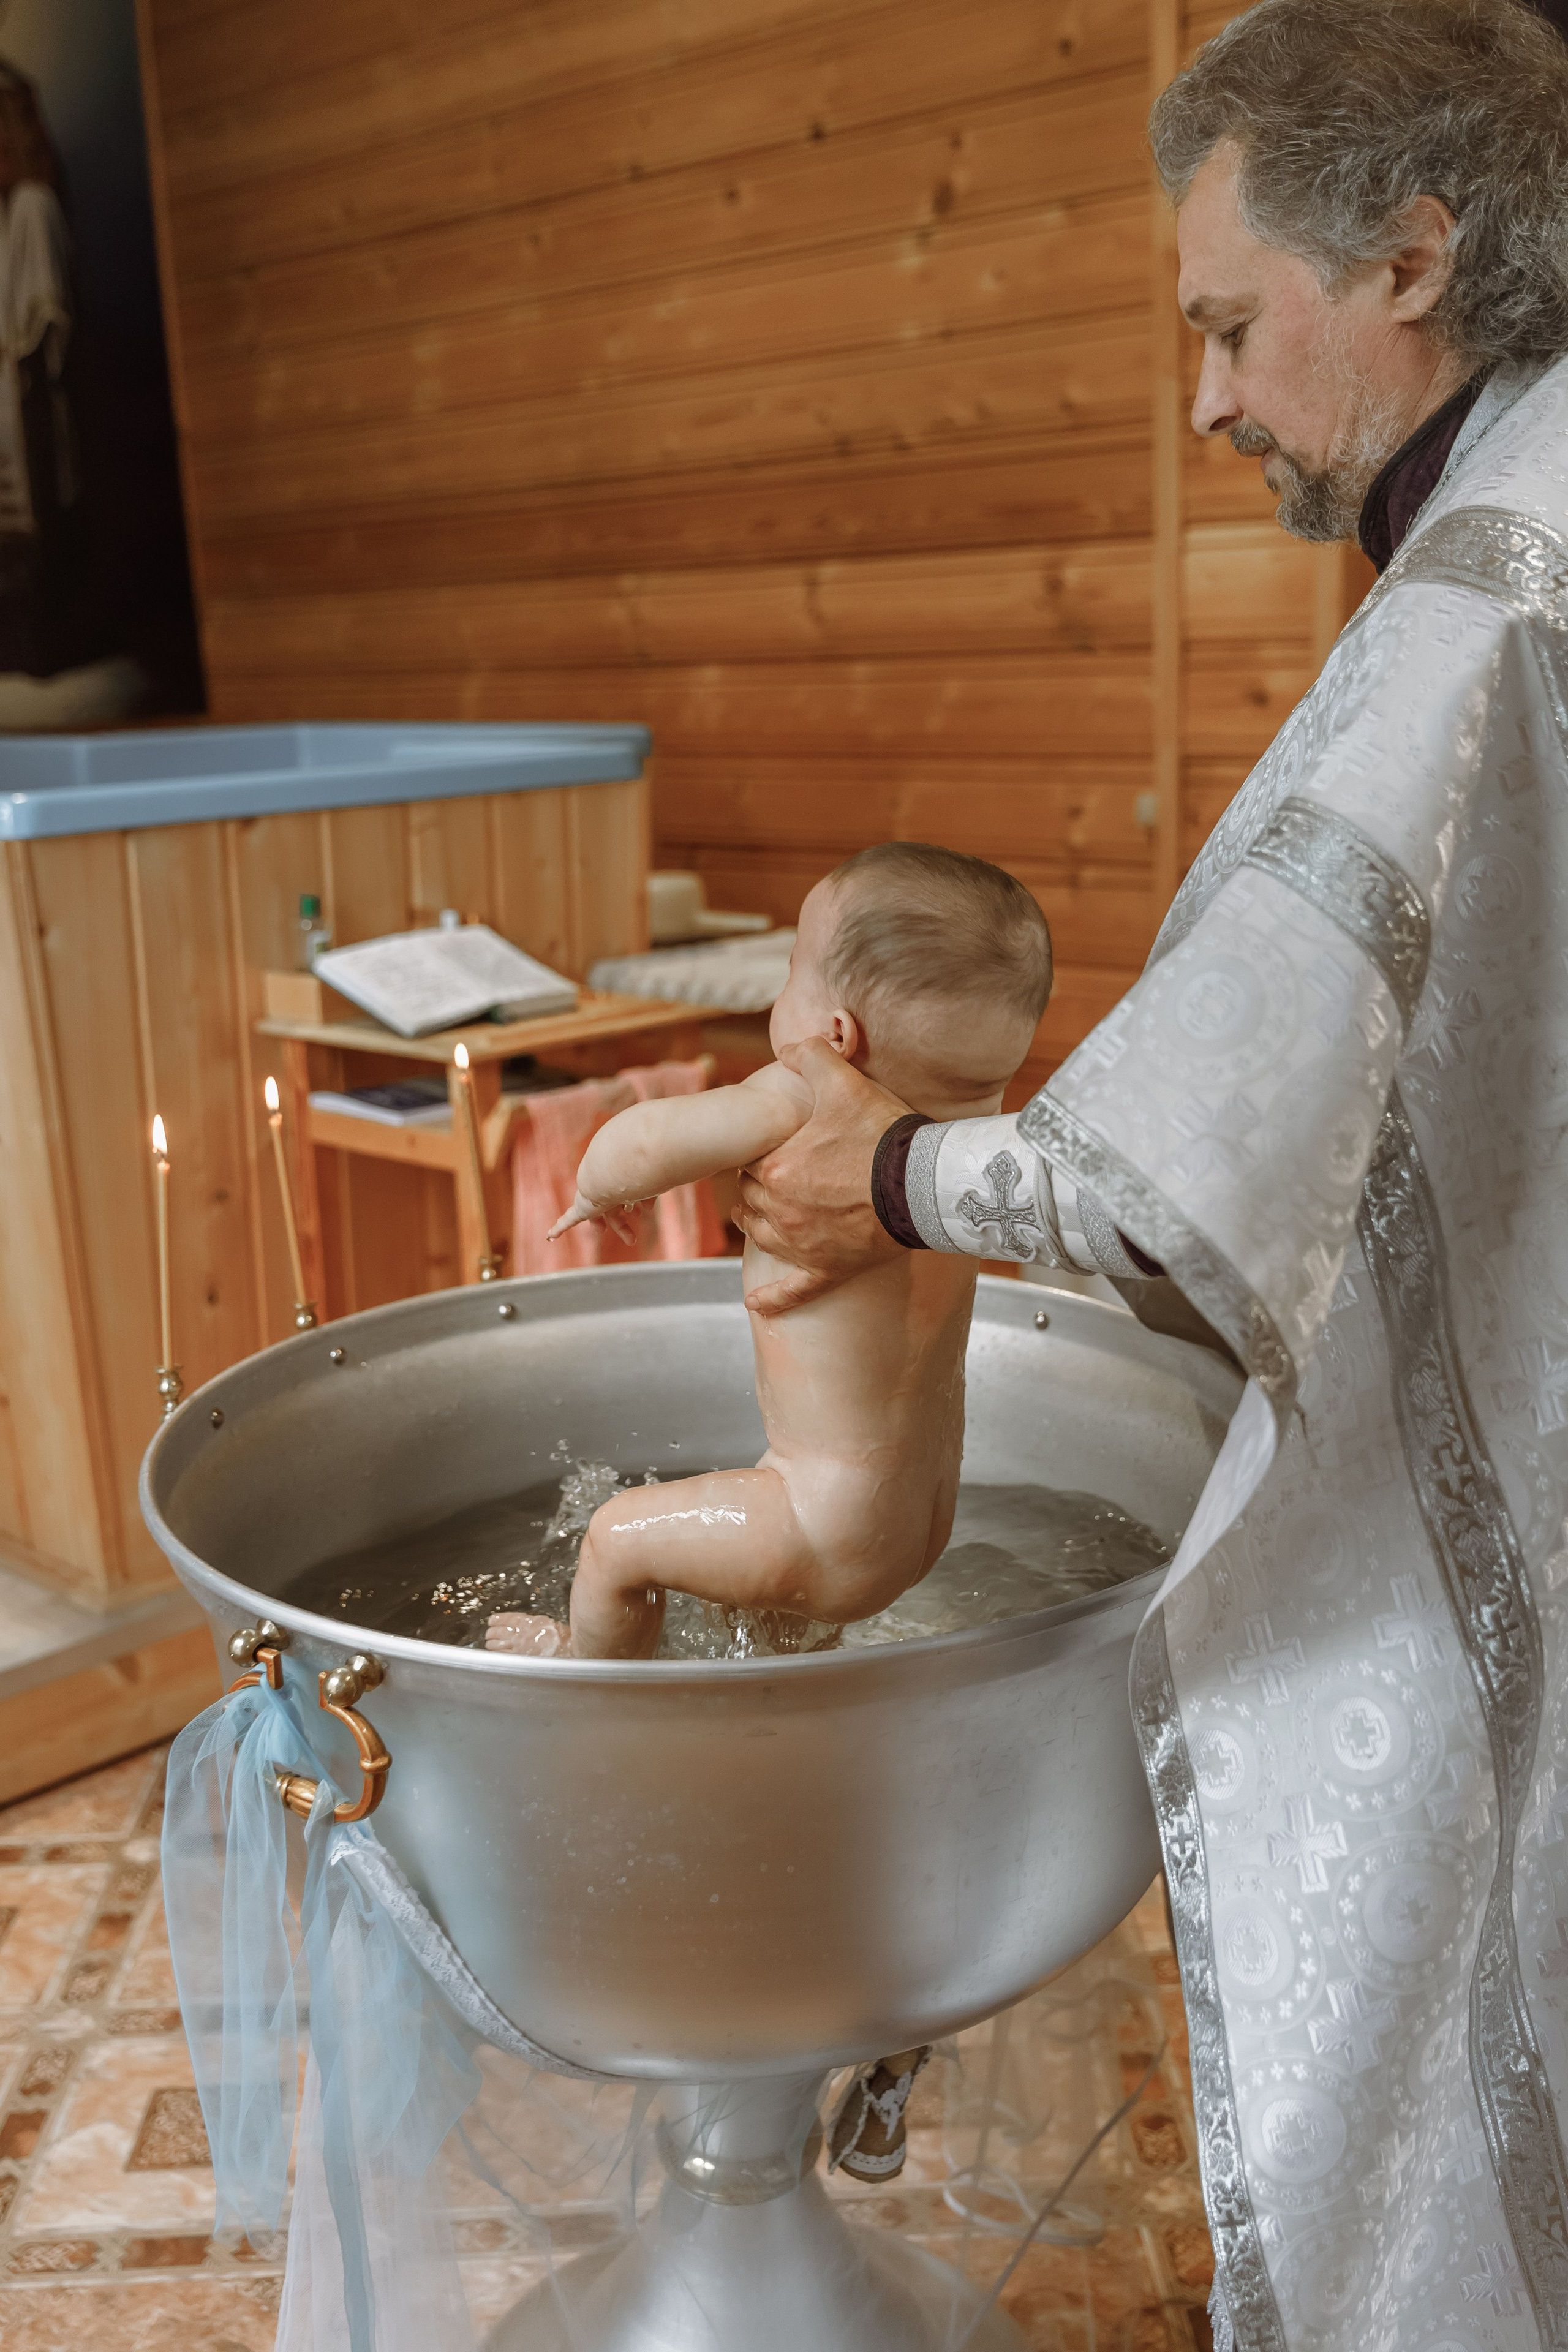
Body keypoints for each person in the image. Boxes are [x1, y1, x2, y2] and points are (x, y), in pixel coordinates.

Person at [731, 5, 1568, 2345]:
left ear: (1412, 252)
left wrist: (886, 1174)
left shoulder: (1499, 583)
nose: (1206, 399)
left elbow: (1199, 1138)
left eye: (1226, 324)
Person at [486, 841, 1051, 1661]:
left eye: (792, 966)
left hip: (817, 1518)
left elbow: (645, 1146)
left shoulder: (809, 1097)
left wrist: (595, 1190)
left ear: (836, 1033)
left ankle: (587, 1666)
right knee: (763, 1626)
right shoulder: (977, 1149)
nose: (780, 991)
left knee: (614, 1541)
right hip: (916, 1522)